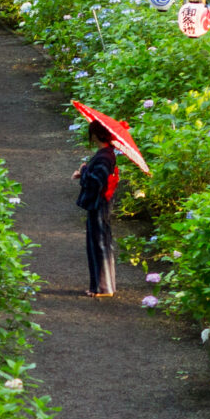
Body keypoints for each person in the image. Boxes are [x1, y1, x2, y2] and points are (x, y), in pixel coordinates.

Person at [74, 118, 120, 296]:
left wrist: (84, 170)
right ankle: (101, 286)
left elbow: (96, 182)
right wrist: (84, 172)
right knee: (100, 242)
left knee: (99, 243)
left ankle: (103, 287)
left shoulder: (104, 156)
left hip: (98, 204)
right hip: (101, 203)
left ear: (94, 135)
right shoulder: (107, 154)